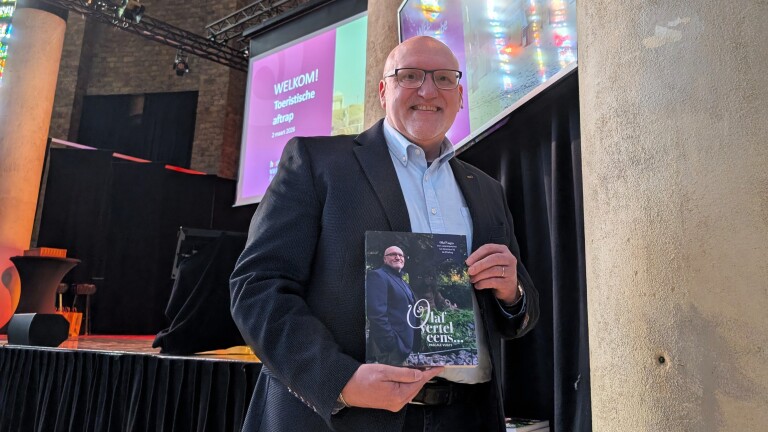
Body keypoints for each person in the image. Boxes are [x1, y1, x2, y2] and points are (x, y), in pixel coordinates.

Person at [230, 35, 539, 432]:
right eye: (409, 76)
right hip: (345, 419)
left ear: (460, 96)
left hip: (467, 416)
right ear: (383, 90)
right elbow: (257, 288)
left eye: (444, 79)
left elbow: (519, 315)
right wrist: (339, 381)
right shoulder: (317, 163)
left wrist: (512, 293)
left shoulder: (486, 189)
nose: (428, 90)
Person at [366, 246, 417, 366]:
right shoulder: (377, 276)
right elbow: (376, 314)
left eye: (401, 255)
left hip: (403, 347)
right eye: (393, 254)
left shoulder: (402, 281)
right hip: (391, 349)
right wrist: (391, 343)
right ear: (384, 259)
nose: (398, 257)